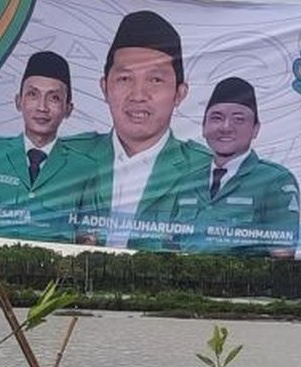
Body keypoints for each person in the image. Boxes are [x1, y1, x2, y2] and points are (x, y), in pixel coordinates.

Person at [61, 10, 209, 250]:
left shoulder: (204, 170)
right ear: (104, 87)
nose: (138, 95)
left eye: (155, 80)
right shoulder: (66, 158)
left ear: (180, 93)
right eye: (125, 79)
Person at [0, 51, 100, 242]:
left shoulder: (84, 169)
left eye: (54, 98)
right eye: (33, 95)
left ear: (68, 109)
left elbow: (88, 237)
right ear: (18, 101)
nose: (42, 107)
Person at [179, 77, 301, 257]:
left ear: (255, 129)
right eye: (217, 118)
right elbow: (169, 244)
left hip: (244, 283)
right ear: (204, 127)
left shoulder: (275, 180)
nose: (226, 127)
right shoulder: (188, 182)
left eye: (238, 119)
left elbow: (283, 252)